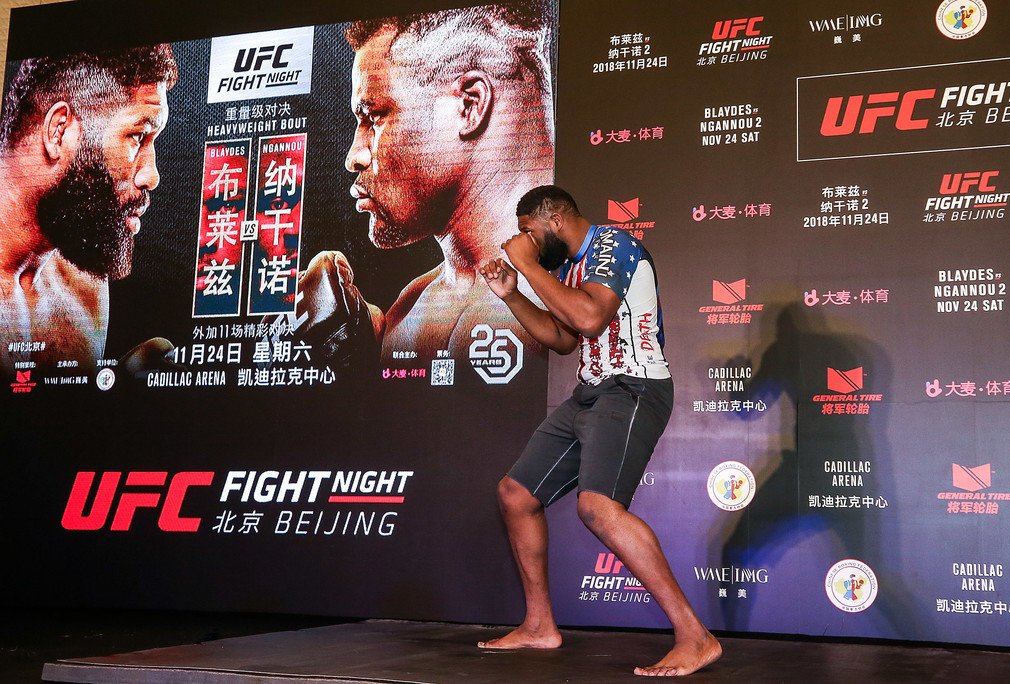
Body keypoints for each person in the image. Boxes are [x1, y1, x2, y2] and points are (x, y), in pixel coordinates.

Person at [477, 186, 722, 677]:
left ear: (555, 218)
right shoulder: (567, 266)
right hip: (590, 392)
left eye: (528, 231)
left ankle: (696, 637)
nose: (521, 240)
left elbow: (590, 317)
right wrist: (512, 296)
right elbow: (564, 339)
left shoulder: (614, 245)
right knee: (516, 494)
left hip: (633, 389)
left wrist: (528, 266)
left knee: (597, 508)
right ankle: (540, 625)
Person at [295, 3, 553, 363]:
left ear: (469, 106)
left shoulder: (577, 281)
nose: (354, 157)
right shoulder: (408, 310)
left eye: (375, 117)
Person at [0, 45, 177, 377]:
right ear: (59, 131)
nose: (151, 176)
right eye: (137, 137)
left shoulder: (82, 281)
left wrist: (118, 392)